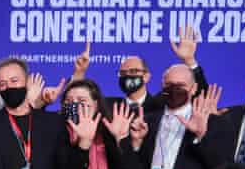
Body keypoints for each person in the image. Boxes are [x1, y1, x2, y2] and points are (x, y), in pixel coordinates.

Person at [135, 65, 225, 169]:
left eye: (180, 86)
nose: (174, 90)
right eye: (169, 85)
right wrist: (135, 144)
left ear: (194, 88)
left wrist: (200, 136)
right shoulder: (146, 122)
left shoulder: (212, 122)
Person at [71, 27, 208, 113]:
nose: (128, 77)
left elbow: (201, 96)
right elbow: (75, 105)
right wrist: (79, 73)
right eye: (123, 73)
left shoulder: (162, 102)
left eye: (133, 72)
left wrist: (189, 61)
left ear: (146, 76)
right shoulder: (109, 106)